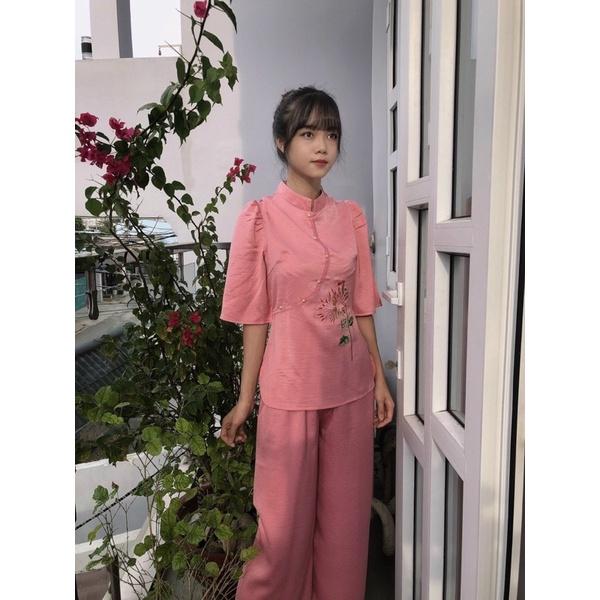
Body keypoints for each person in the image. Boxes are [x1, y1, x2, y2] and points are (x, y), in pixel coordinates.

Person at [219, 86, 395, 600]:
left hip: (350, 390)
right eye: (308, 133)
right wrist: (245, 399)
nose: (323, 146)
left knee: (345, 531)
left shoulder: (351, 217)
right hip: (290, 392)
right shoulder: (260, 219)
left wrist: (378, 380)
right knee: (281, 535)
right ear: (282, 142)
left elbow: (360, 305)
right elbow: (255, 317)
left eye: (332, 135)